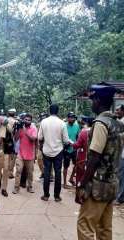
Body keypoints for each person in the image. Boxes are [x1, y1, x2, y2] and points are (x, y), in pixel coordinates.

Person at [77, 84, 124, 240]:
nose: (92, 104)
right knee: (104, 228)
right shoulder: (117, 123)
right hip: (112, 183)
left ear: (97, 101)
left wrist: (82, 184)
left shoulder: (100, 123)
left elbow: (95, 157)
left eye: (92, 100)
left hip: (98, 184)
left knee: (85, 225)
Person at [38, 104, 70, 202]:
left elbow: (39, 137)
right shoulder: (62, 123)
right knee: (57, 173)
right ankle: (57, 196)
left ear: (50, 111)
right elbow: (65, 140)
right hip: (58, 151)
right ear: (58, 111)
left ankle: (46, 195)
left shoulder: (44, 122)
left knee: (47, 172)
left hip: (46, 151)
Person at [13, 113, 37, 194]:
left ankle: (30, 187)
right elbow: (15, 139)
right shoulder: (21, 128)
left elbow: (33, 139)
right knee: (18, 171)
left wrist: (25, 130)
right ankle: (16, 188)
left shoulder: (33, 129)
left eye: (28, 120)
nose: (27, 121)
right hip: (20, 154)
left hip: (30, 155)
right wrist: (18, 130)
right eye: (25, 120)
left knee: (30, 173)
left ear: (31, 121)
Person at [71, 116, 94, 189]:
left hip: (83, 158)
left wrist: (71, 143)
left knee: (80, 175)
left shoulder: (84, 132)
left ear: (86, 123)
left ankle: (79, 190)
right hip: (93, 158)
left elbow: (77, 145)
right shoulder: (95, 132)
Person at [1, 108, 17, 197]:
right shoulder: (1, 125)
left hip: (6, 150)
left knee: (6, 169)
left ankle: (4, 188)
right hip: (0, 150)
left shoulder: (11, 124)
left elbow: (13, 136)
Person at [63, 112, 80, 188]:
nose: (72, 119)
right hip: (66, 149)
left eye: (73, 118)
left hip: (74, 148)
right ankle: (64, 183)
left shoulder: (77, 126)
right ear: (67, 118)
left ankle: (71, 179)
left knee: (77, 165)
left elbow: (77, 136)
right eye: (71, 117)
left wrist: (77, 145)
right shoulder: (64, 126)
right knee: (66, 166)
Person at [115, 105, 124, 205]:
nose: (116, 112)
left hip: (122, 154)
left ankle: (119, 197)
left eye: (118, 110)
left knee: (120, 176)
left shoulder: (121, 122)